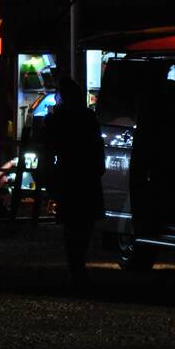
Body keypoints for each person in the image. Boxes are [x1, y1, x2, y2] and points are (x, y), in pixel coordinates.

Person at [42, 77, 105, 282]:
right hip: (87, 174)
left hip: (68, 174)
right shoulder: (88, 117)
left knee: (71, 224)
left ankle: (76, 267)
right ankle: (79, 265)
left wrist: (48, 177)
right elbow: (97, 146)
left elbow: (48, 150)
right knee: (85, 223)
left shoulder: (57, 119)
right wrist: (98, 168)